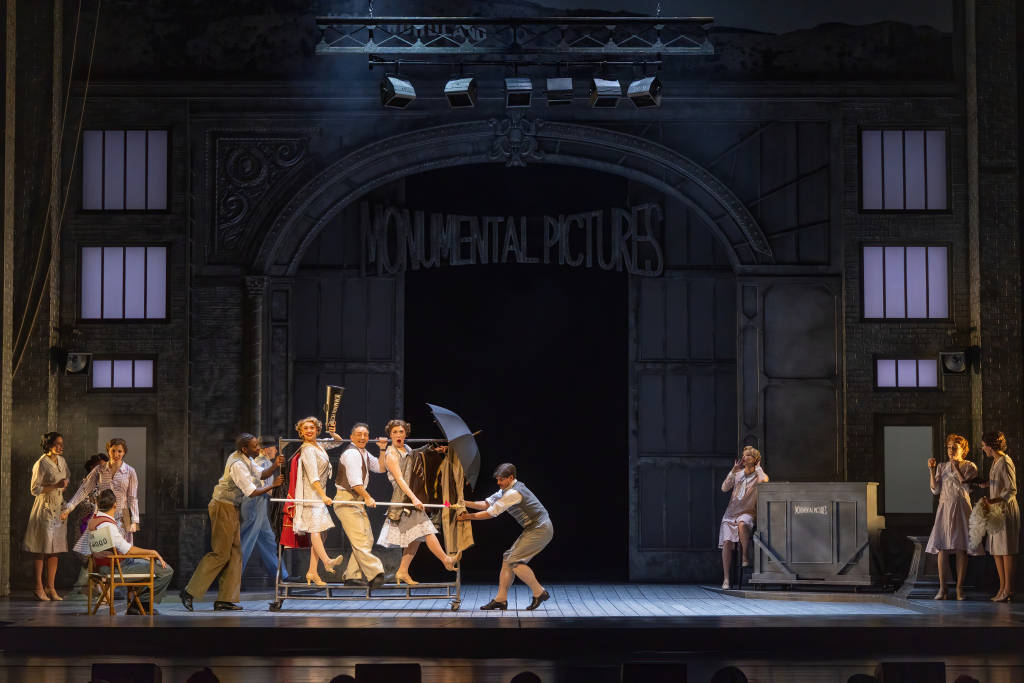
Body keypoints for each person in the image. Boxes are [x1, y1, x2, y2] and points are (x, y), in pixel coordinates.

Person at [179, 433, 283, 612]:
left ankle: (225, 600)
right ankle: (189, 592)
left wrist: (275, 465)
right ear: (244, 448)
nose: (258, 448)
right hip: (222, 506)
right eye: (255, 446)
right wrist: (272, 486)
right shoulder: (237, 464)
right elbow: (251, 491)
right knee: (220, 554)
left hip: (232, 507)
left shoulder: (246, 458)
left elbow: (261, 473)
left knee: (236, 554)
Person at [459, 462, 553, 611]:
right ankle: (501, 599)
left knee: (514, 561)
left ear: (510, 478)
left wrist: (467, 517)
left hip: (540, 528)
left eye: (501, 479)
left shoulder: (513, 493)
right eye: (497, 479)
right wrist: (462, 503)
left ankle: (539, 592)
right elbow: (486, 504)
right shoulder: (505, 490)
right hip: (533, 528)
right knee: (508, 559)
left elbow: (491, 513)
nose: (498, 482)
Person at [376, 419, 457, 584]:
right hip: (403, 500)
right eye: (394, 432)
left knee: (416, 537)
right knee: (427, 530)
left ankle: (402, 571)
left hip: (412, 497)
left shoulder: (406, 448)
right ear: (390, 435)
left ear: (406, 434)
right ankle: (446, 560)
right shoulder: (391, 454)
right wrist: (414, 498)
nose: (398, 435)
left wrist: (435, 450)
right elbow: (400, 480)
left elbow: (418, 457)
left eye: (401, 432)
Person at [87, 488, 174, 614]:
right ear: (115, 505)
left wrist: (142, 556)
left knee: (147, 563)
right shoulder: (108, 525)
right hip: (115, 568)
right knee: (166, 571)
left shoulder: (93, 521)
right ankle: (140, 605)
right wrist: (152, 552)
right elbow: (127, 550)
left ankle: (139, 604)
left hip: (102, 566)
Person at [926, 433, 980, 600]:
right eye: (949, 447)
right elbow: (935, 490)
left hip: (962, 508)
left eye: (954, 447)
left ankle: (959, 589)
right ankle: (942, 589)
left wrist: (956, 467)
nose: (951, 450)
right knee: (942, 547)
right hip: (945, 508)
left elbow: (968, 488)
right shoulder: (942, 466)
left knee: (961, 547)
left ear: (963, 449)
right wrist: (932, 470)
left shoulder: (970, 466)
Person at [293, 416, 346, 585]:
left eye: (312, 428)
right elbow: (313, 477)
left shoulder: (319, 445)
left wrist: (332, 432)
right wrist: (323, 496)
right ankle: (327, 561)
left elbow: (338, 442)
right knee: (316, 529)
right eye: (305, 428)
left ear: (317, 430)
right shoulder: (308, 450)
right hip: (311, 494)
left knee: (323, 532)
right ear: (301, 432)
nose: (309, 431)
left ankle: (312, 572)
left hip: (318, 494)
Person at [333, 422, 386, 587]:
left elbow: (380, 468)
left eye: (365, 435)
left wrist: (382, 449)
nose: (362, 437)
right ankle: (376, 573)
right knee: (361, 540)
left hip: (356, 501)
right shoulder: (351, 454)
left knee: (367, 539)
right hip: (346, 500)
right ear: (351, 437)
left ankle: (351, 575)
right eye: (359, 434)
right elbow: (355, 483)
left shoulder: (363, 452)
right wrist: (368, 497)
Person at [62, 437, 140, 544]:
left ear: (124, 452)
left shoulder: (130, 471)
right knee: (101, 549)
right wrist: (69, 507)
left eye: (119, 451)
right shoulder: (99, 469)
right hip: (102, 514)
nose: (116, 454)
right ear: (108, 450)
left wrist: (135, 520)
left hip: (124, 515)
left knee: (122, 550)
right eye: (113, 450)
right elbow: (84, 489)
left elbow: (132, 498)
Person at [23, 431, 70, 601]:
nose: (61, 446)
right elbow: (34, 489)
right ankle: (38, 587)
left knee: (55, 549)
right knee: (41, 548)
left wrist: (63, 485)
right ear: (49, 445)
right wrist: (55, 485)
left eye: (62, 443)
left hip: (58, 507)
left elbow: (66, 478)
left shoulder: (62, 461)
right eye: (57, 443)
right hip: (44, 508)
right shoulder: (41, 463)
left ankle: (51, 587)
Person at [718, 445, 769, 590]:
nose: (744, 457)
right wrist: (733, 471)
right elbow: (724, 488)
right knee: (727, 543)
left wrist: (758, 468)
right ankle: (726, 579)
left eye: (748, 455)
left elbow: (764, 481)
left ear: (755, 459)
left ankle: (745, 556)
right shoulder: (738, 474)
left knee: (742, 522)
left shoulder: (758, 476)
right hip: (730, 513)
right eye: (744, 455)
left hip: (747, 512)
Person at [239, 436, 288, 581]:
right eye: (274, 448)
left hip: (258, 503)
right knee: (246, 541)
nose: (276, 451)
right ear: (267, 450)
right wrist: (283, 496)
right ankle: (233, 577)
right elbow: (266, 488)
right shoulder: (264, 463)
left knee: (269, 541)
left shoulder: (259, 462)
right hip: (254, 503)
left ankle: (282, 575)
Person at [979, 431, 1019, 601]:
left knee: (1006, 549)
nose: (983, 449)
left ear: (991, 446)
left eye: (984, 446)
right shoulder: (995, 462)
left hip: (1005, 510)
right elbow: (1000, 481)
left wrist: (993, 500)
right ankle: (1002, 587)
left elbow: (1012, 489)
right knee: (996, 549)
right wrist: (988, 483)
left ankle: (1008, 589)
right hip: (995, 510)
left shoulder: (1005, 461)